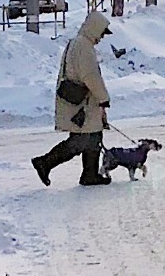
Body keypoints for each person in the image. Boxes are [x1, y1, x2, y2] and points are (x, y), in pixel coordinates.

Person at [32, 10, 114, 187]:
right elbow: (90, 76)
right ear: (94, 29)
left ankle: (90, 174)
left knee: (93, 137)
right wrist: (103, 97)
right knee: (81, 140)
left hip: (80, 101)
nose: (102, 37)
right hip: (83, 103)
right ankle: (45, 162)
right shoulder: (84, 48)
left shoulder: (78, 43)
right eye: (101, 33)